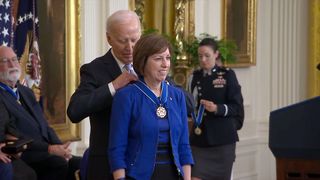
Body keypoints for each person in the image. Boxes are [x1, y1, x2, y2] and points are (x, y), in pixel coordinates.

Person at [108, 33, 194, 180]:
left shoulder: (177, 96)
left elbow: (184, 146)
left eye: (167, 58)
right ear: (143, 62)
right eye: (158, 58)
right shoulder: (126, 96)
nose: (165, 64)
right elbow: (117, 147)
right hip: (137, 175)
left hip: (173, 174)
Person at [67, 10, 140, 179]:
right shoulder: (94, 70)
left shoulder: (150, 64)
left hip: (143, 164)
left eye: (134, 40)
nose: (129, 47)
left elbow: (184, 101)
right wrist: (114, 86)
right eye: (123, 41)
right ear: (109, 39)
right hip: (105, 165)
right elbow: (74, 111)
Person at [0, 46, 81, 180]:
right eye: (5, 61)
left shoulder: (26, 92)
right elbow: (14, 135)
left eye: (14, 59)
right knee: (58, 164)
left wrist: (60, 147)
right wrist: (50, 149)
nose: (12, 64)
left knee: (79, 163)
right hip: (26, 152)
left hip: (46, 150)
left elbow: (44, 125)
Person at [187, 38, 244, 180]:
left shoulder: (227, 75)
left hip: (222, 140)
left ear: (216, 54)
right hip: (200, 139)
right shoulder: (194, 77)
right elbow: (189, 105)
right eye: (200, 56)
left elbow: (236, 107)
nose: (203, 59)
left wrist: (217, 108)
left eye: (207, 55)